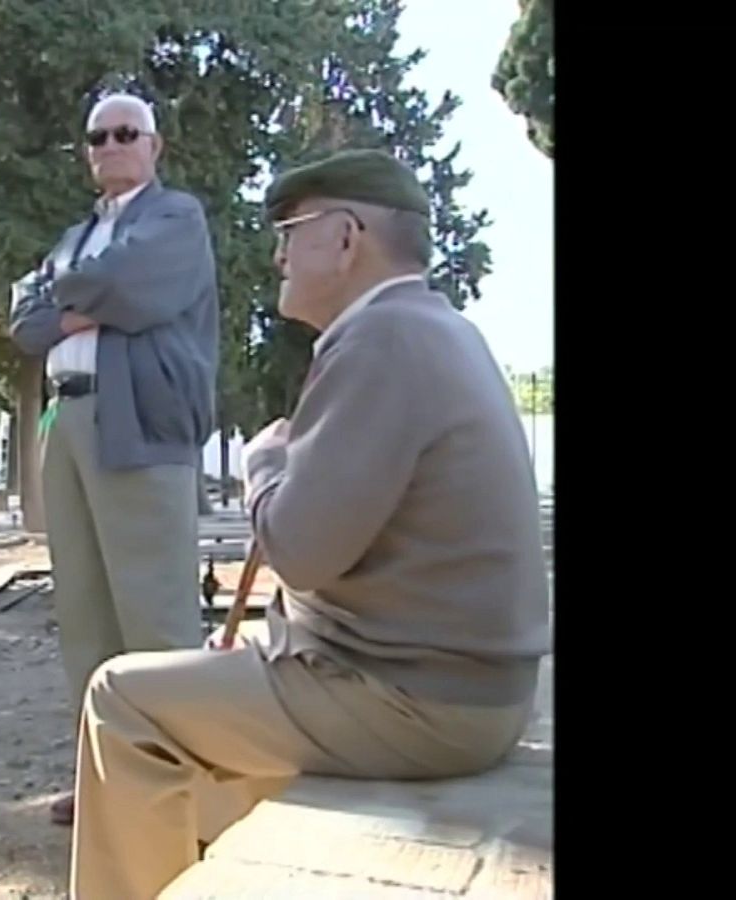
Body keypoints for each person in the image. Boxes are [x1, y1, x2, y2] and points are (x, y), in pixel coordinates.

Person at [65, 149, 552, 899]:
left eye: (292, 230)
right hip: (465, 691)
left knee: (121, 702)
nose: (279, 254)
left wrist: (263, 462)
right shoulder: (435, 330)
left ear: (348, 237)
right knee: (209, 762)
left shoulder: (381, 339)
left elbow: (298, 551)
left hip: (416, 703)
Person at [8, 92, 220, 826]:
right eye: (98, 136)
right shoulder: (76, 236)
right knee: (85, 611)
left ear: (154, 146)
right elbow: (24, 322)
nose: (110, 145)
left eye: (126, 133)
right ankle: (105, 771)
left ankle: (180, 779)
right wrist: (89, 302)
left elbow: (134, 284)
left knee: (154, 608)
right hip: (67, 418)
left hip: (140, 417)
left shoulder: (176, 218)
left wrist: (66, 296)